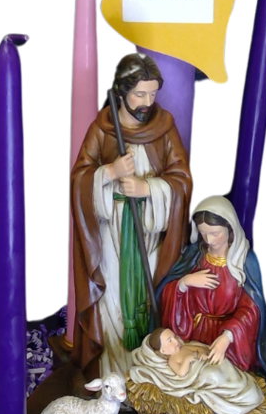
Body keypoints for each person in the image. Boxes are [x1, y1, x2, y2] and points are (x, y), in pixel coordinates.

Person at [71, 53, 192, 380]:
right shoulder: (103, 129)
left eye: (152, 94)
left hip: (150, 235)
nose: (147, 102)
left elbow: (182, 180)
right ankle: (116, 377)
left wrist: (148, 188)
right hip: (110, 235)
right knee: (113, 302)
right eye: (140, 94)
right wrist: (109, 172)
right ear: (122, 91)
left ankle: (148, 377)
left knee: (149, 299)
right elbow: (79, 179)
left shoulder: (164, 127)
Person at [156, 195, 266, 414]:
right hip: (193, 333)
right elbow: (167, 292)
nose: (209, 240)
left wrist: (227, 337)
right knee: (185, 374)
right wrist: (184, 282)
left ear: (229, 229)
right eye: (203, 234)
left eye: (215, 233)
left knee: (221, 378)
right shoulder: (194, 255)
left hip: (230, 340)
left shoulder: (244, 261)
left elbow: (251, 309)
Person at [129, 327, 266, 414]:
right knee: (212, 374)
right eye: (169, 341)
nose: (175, 341)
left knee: (222, 365)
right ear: (163, 351)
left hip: (206, 365)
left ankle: (237, 386)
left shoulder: (184, 347)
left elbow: (198, 349)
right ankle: (235, 390)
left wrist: (201, 353)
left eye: (174, 337)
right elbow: (181, 373)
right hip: (200, 374)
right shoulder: (172, 360)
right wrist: (188, 359)